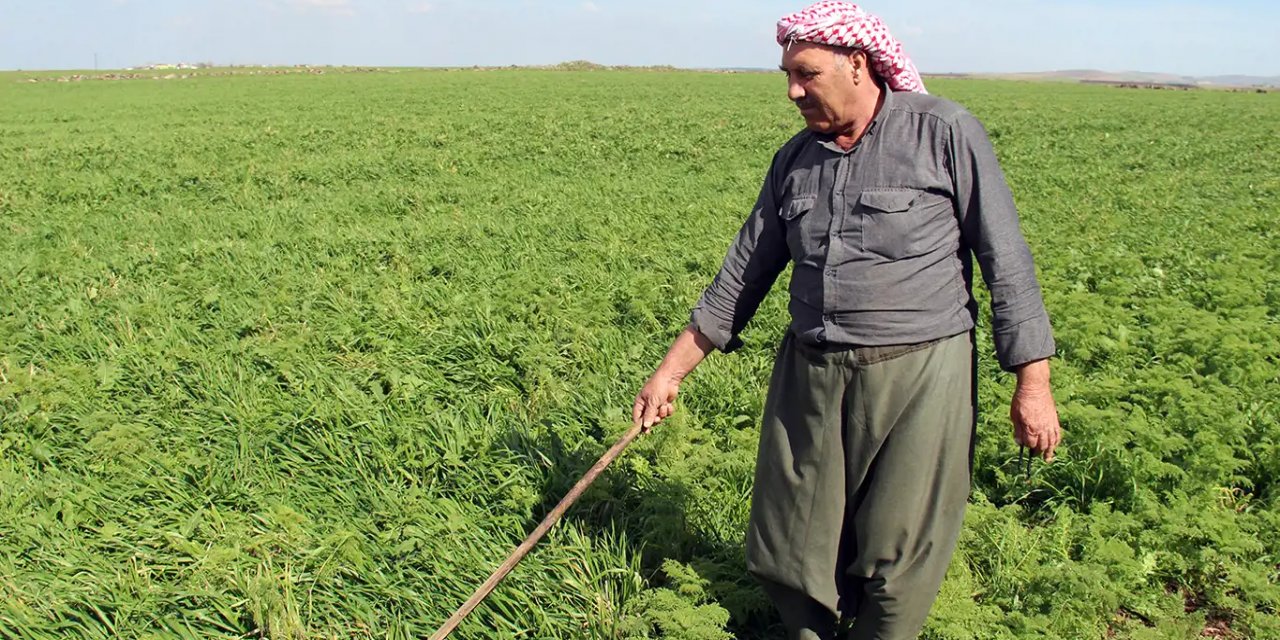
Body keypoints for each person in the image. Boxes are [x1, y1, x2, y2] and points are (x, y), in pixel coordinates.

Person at [630, 2, 1062, 638]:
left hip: (919, 376)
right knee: (787, 549)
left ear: (858, 63)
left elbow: (1007, 260)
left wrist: (1034, 384)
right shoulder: (795, 160)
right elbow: (741, 276)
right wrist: (668, 373)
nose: (792, 91)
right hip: (811, 376)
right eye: (787, 75)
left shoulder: (942, 132)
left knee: (895, 553)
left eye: (806, 73)